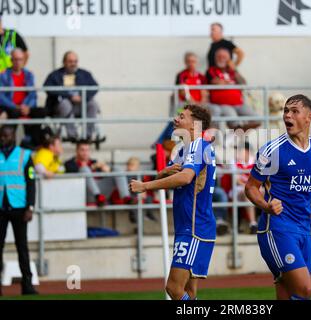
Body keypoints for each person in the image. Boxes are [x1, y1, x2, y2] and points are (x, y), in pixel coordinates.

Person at [245, 94, 311, 300]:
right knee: (305, 290)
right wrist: (266, 205)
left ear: (309, 117)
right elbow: (250, 188)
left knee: (287, 293)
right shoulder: (272, 150)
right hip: (277, 228)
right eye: (286, 111)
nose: (288, 115)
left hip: (303, 229)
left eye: (295, 111)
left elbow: (310, 183)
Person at [130, 105, 216, 300]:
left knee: (173, 288)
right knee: (189, 292)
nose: (176, 120)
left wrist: (145, 186)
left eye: (182, 117)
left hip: (194, 227)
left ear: (195, 125)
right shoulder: (182, 150)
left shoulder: (198, 146)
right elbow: (168, 175)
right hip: (189, 225)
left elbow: (185, 178)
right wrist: (160, 174)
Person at [0, 125, 38, 296]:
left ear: (13, 136)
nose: (3, 138)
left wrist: (30, 206)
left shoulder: (24, 155)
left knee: (22, 247)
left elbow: (31, 183)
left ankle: (27, 285)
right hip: (1, 207)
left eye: (6, 136)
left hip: (19, 208)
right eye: (1, 136)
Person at [43, 51, 100, 142]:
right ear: (64, 62)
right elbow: (47, 88)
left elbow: (95, 87)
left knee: (93, 104)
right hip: (61, 107)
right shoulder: (55, 75)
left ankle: (87, 136)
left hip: (80, 105)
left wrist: (83, 97)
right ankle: (72, 135)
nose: (73, 64)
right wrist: (69, 96)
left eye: (75, 61)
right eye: (70, 61)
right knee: (65, 103)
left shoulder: (85, 74)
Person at [0, 49, 47, 149]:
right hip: (11, 107)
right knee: (12, 113)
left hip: (25, 107)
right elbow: (1, 96)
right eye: (15, 59)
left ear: (24, 60)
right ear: (11, 60)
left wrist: (26, 106)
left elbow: (32, 93)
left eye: (20, 59)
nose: (18, 62)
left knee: (41, 111)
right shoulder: (4, 74)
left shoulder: (29, 74)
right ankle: (9, 144)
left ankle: (33, 142)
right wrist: (15, 106)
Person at [64, 140, 130, 207]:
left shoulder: (94, 162)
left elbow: (102, 178)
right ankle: (98, 197)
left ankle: (126, 197)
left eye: (87, 150)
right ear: (77, 151)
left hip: (102, 192)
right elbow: (72, 179)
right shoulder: (69, 163)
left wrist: (108, 171)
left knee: (117, 169)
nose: (85, 153)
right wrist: (92, 167)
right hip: (83, 193)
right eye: (82, 150)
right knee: (84, 169)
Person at [206, 48, 260, 130]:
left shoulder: (233, 71)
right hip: (223, 104)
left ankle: (237, 136)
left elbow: (243, 84)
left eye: (224, 57)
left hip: (239, 103)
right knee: (235, 123)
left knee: (258, 120)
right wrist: (228, 83)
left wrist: (234, 70)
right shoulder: (211, 70)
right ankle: (236, 136)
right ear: (215, 58)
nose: (221, 59)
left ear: (229, 59)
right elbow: (215, 82)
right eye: (219, 57)